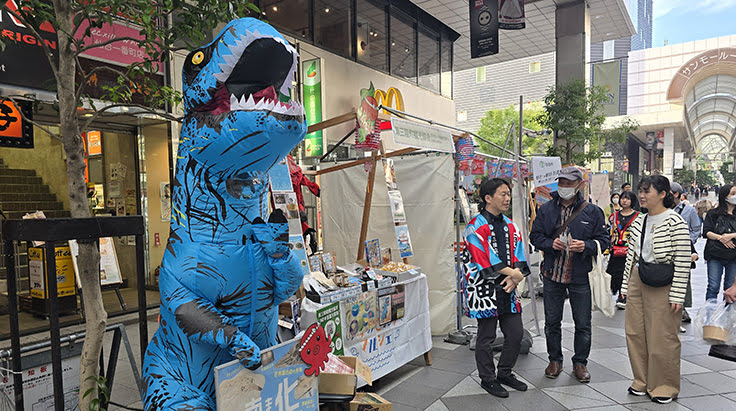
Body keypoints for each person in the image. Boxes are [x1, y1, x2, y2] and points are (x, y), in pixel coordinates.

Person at [530, 166, 610, 383]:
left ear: (580, 185)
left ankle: (580, 362)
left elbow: (604, 241)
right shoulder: (546, 209)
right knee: (552, 322)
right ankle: (554, 360)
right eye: (562, 183)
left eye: (569, 183)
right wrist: (549, 243)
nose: (564, 187)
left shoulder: (592, 211)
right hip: (552, 274)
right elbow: (534, 236)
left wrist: (586, 245)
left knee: (583, 323)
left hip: (580, 275)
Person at [621, 175, 691, 404]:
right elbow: (631, 256)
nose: (641, 195)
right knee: (635, 332)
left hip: (663, 282)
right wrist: (625, 286)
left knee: (662, 336)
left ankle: (664, 385)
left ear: (662, 194)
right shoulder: (640, 220)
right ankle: (642, 380)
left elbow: (682, 261)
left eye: (646, 191)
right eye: (640, 191)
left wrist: (678, 294)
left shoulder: (675, 221)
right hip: (638, 279)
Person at [463, 178, 530, 398]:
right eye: (502, 194)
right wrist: (515, 274)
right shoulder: (474, 226)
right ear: (488, 197)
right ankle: (488, 378)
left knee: (516, 334)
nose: (507, 198)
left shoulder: (511, 225)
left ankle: (505, 372)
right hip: (485, 290)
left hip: (508, 288)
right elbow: (482, 258)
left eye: (508, 194)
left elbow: (520, 252)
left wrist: (515, 277)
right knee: (486, 336)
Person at [670, 182, 702, 325]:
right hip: (666, 251)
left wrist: (688, 242)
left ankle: (682, 308)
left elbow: (696, 229)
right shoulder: (660, 210)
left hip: (684, 251)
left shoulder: (689, 210)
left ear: (676, 194)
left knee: (684, 279)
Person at [702, 184, 736, 301]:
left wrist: (730, 236)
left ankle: (727, 316)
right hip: (715, 254)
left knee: (730, 289)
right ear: (725, 196)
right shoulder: (713, 213)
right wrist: (721, 238)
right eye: (732, 193)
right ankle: (710, 315)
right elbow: (706, 232)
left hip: (733, 256)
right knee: (713, 286)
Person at [607, 191, 640, 309]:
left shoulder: (638, 216)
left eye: (627, 198)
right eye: (622, 198)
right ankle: (612, 292)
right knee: (612, 272)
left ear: (632, 201)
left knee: (626, 273)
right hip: (615, 249)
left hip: (630, 250)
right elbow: (609, 231)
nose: (624, 201)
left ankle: (623, 296)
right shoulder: (614, 215)